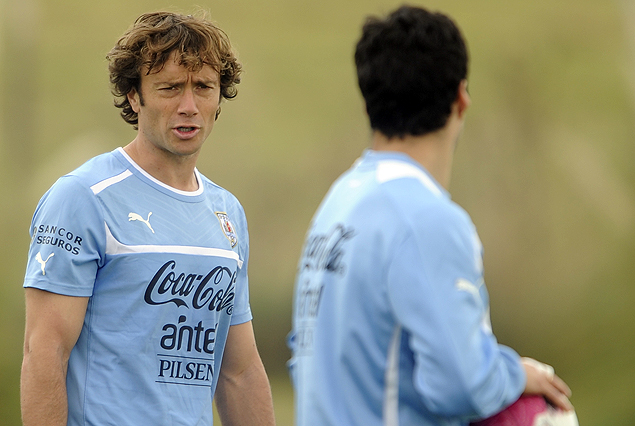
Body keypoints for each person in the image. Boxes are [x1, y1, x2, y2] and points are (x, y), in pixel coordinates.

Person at [288, 5, 573, 426]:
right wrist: (515, 375)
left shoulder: (337, 204)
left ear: (369, 104)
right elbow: (461, 385)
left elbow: (305, 358)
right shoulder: (427, 221)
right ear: (461, 99)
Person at [21, 11, 276, 426]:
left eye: (203, 87)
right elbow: (44, 352)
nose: (189, 107)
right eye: (170, 88)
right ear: (134, 96)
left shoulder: (227, 212)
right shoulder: (83, 197)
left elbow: (239, 372)